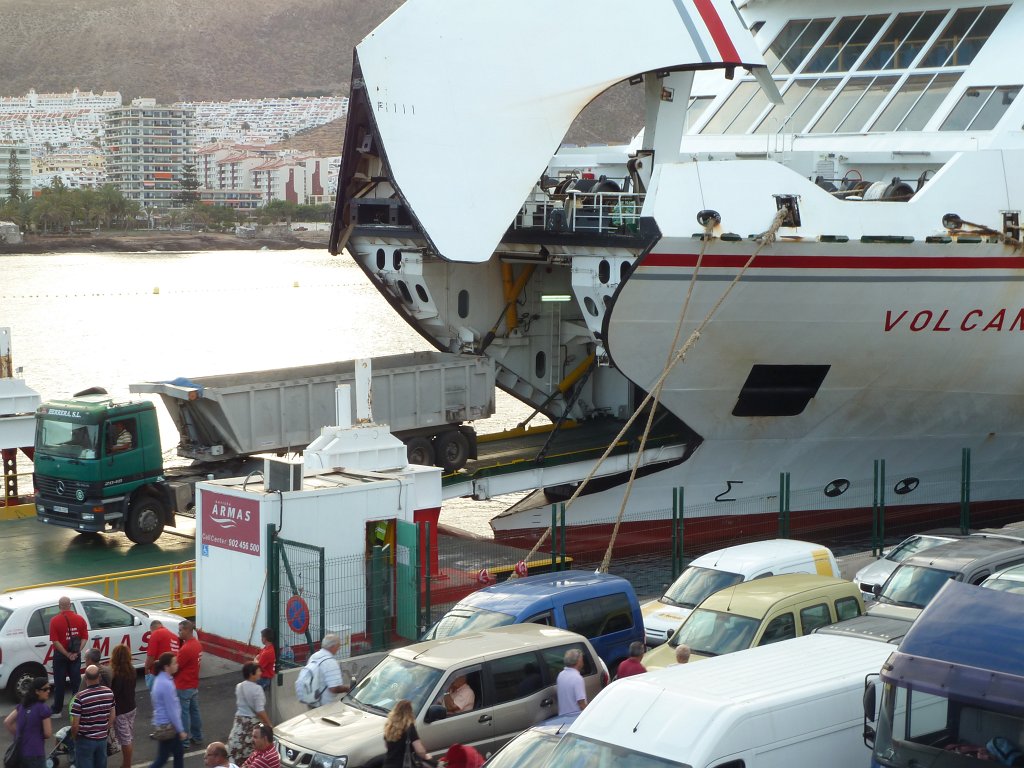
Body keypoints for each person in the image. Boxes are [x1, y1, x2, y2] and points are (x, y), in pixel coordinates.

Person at [49, 595, 89, 718]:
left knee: (59, 683)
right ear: (70, 605)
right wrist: (76, 653)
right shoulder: (80, 619)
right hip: (75, 655)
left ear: (59, 606)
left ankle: (57, 710)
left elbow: (55, 641)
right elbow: (84, 638)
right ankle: (77, 709)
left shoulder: (54, 621)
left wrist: (66, 654)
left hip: (60, 656)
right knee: (76, 683)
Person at [70, 665, 116, 768]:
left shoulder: (80, 697)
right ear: (99, 677)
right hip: (102, 739)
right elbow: (112, 715)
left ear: (85, 678)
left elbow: (75, 725)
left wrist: (74, 737)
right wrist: (105, 729)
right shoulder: (109, 692)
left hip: (85, 740)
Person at [227, 663, 272, 766]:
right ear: (252, 674)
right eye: (258, 671)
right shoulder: (257, 689)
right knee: (251, 753)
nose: (260, 673)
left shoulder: (239, 686)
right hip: (252, 724)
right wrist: (269, 724)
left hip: (239, 722)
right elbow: (260, 711)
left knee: (236, 751)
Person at [3, 677, 52, 768]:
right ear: (37, 691)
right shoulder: (43, 708)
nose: (48, 691)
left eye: (49, 688)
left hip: (20, 751)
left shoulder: (22, 706)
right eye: (45, 689)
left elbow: (7, 722)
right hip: (36, 752)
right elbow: (48, 733)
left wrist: (18, 734)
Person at [149, 653, 186, 768]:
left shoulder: (160, 680)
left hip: (163, 724)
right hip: (168, 726)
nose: (177, 665)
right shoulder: (166, 684)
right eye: (174, 663)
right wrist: (180, 730)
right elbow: (172, 710)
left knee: (177, 753)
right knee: (162, 759)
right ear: (166, 667)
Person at [175, 620, 203, 746]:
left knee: (183, 714)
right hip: (193, 683)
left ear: (187, 630)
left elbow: (176, 667)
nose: (179, 632)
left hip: (183, 685)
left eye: (180, 630)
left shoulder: (185, 648)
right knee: (194, 712)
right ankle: (197, 736)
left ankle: (184, 741)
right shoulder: (197, 645)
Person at [382, 699, 433, 768]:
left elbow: (387, 746)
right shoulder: (409, 728)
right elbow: (419, 750)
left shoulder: (389, 726)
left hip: (388, 764)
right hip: (403, 765)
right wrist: (426, 756)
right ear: (409, 712)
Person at [302, 634, 349, 708]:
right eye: (338, 645)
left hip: (311, 701)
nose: (339, 648)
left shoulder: (314, 656)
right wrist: (347, 688)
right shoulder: (331, 662)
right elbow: (334, 688)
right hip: (323, 705)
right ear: (332, 646)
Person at [109, 643, 137, 768]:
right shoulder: (132, 670)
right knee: (128, 737)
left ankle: (127, 765)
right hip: (131, 707)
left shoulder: (117, 675)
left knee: (125, 740)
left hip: (121, 711)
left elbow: (114, 694)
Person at [145, 620, 180, 689]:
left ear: (152, 629)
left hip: (157, 672)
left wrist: (146, 669)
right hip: (171, 673)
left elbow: (151, 656)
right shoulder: (174, 637)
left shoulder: (156, 633)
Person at [556, 648, 587, 716]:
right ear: (578, 661)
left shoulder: (561, 675)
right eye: (582, 659)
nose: (583, 662)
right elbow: (581, 703)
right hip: (575, 717)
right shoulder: (577, 678)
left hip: (563, 717)